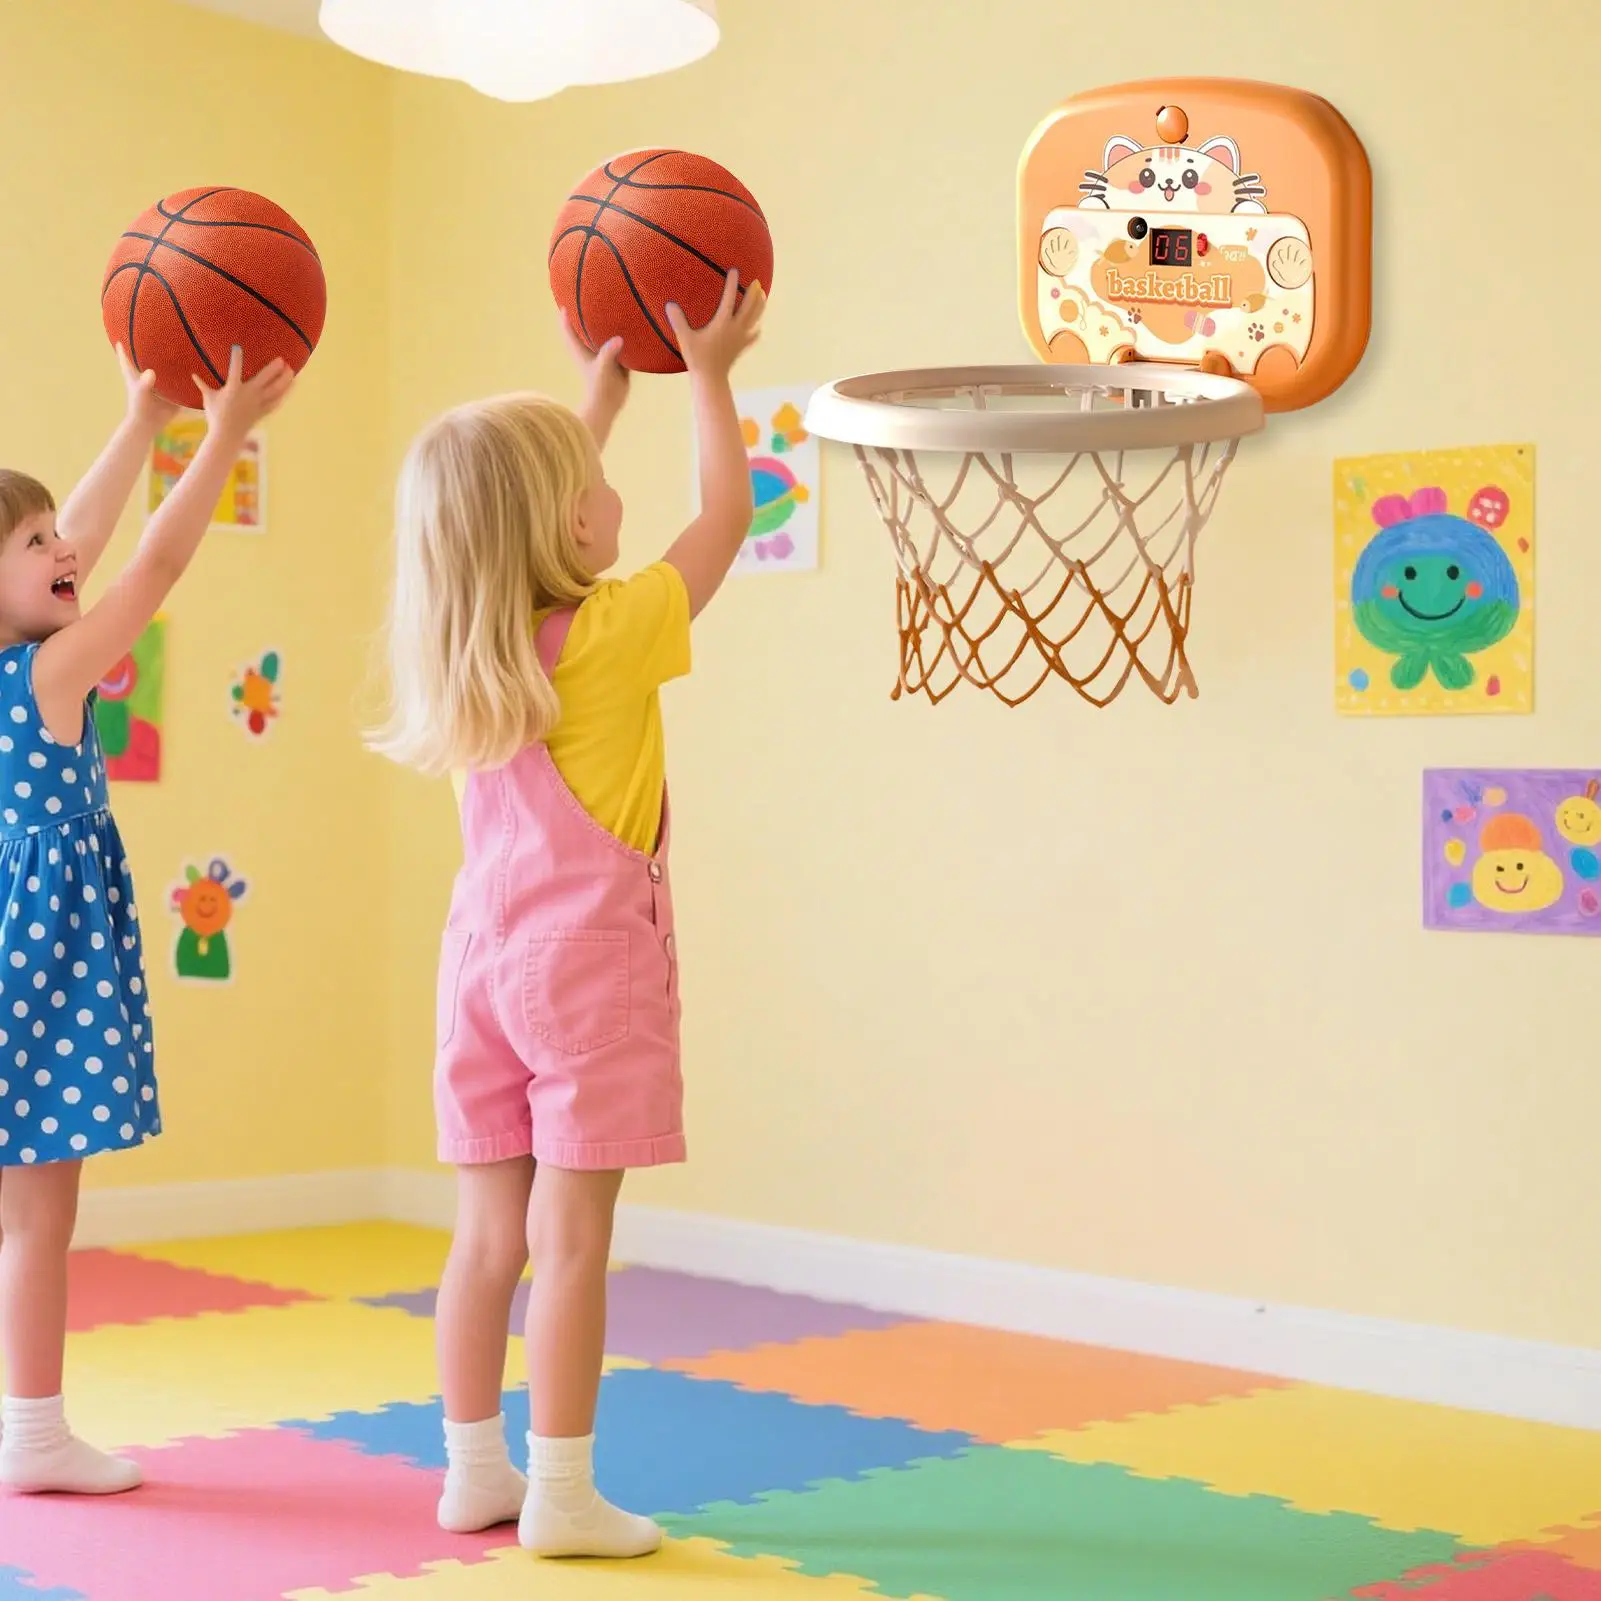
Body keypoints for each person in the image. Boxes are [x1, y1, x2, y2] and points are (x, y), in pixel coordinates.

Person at [369, 270, 764, 1558]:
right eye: (594, 487)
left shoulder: (466, 645)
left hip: (477, 961)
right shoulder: (614, 628)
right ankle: (564, 1489)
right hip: (590, 966)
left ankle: (472, 1468)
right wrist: (708, 373)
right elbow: (726, 512)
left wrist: (594, 397)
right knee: (574, 1242)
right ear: (562, 526)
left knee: (487, 1237)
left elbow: (511, 524)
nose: (616, 498)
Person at [0, 346, 295, 1494]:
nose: (65, 548)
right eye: (34, 547)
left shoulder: (22, 662)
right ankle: (31, 1431)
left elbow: (80, 534)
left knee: (20, 1216)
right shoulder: (48, 678)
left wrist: (139, 415)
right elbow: (153, 563)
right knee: (37, 1217)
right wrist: (215, 435)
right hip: (42, 964)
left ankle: (26, 1424)